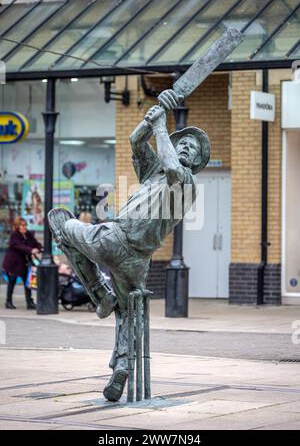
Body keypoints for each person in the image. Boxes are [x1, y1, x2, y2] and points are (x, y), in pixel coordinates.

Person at [48, 89, 210, 401]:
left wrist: (162, 127)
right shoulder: (152, 171)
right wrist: (152, 117)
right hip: (135, 258)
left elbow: (174, 169)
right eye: (184, 143)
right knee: (127, 311)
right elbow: (135, 141)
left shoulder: (187, 181)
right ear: (174, 146)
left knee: (61, 222)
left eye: (193, 149)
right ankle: (121, 365)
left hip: (119, 241)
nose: (188, 149)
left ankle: (99, 293)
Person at [2, 216, 42, 309]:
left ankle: (29, 302)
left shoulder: (28, 234)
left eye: (25, 225)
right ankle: (8, 302)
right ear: (17, 227)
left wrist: (39, 248)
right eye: (22, 225)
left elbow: (36, 243)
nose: (24, 227)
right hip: (13, 263)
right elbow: (19, 246)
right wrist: (31, 250)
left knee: (27, 283)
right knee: (12, 282)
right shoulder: (14, 236)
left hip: (24, 264)